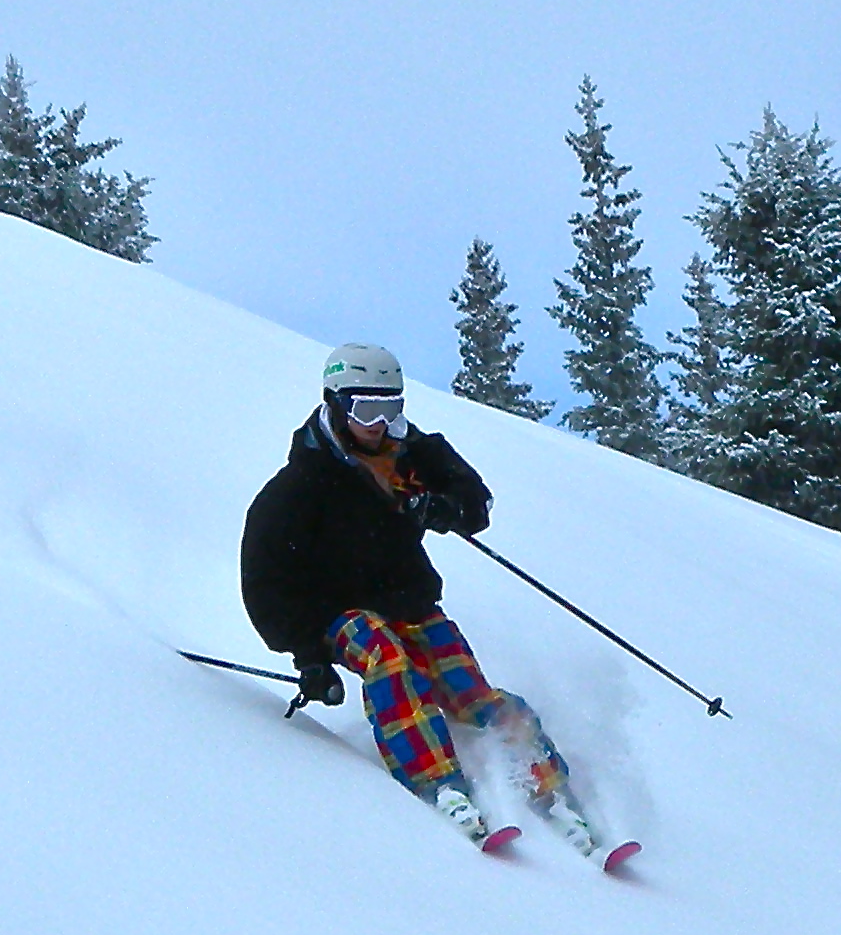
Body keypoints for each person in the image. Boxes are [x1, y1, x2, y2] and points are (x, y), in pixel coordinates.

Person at [241, 342, 611, 859]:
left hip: (411, 604)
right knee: (387, 659)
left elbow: (475, 502)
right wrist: (307, 656)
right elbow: (265, 580)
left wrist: (442, 507)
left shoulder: (414, 454)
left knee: (470, 695)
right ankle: (440, 782)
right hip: (338, 612)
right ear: (335, 404)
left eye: (391, 408)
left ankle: (553, 795)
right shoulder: (300, 486)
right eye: (366, 409)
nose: (379, 423)